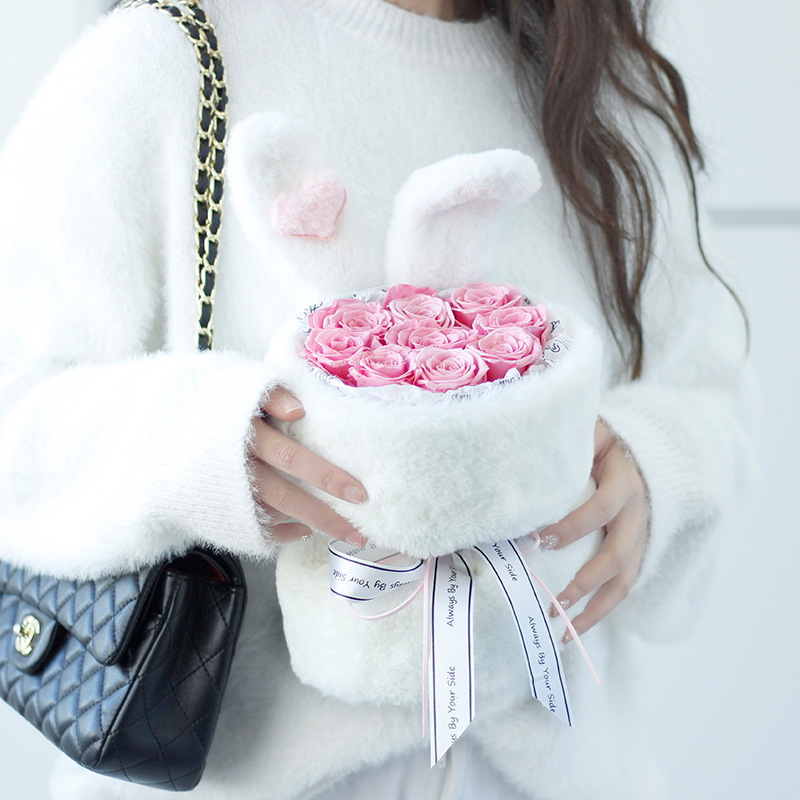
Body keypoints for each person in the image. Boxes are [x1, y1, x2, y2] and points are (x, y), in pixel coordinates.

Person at [0, 0, 754, 798]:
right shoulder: (167, 61)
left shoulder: (605, 97)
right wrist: (211, 444)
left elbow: (716, 396)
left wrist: (650, 472)